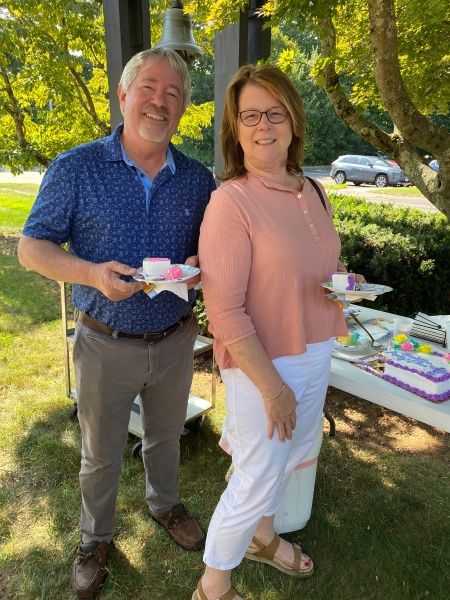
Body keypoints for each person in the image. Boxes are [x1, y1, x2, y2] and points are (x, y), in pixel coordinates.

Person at [18, 47, 215, 599]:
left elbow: (212, 249)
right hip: (105, 342)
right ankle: (95, 539)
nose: (159, 101)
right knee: (100, 454)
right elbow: (31, 248)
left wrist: (201, 267)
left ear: (182, 108)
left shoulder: (198, 179)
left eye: (172, 93)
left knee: (166, 437)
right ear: (124, 94)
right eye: (148, 88)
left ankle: (165, 505)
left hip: (175, 339)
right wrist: (89, 273)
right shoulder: (76, 167)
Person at [195, 64, 363, 600]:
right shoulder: (231, 202)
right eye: (250, 115)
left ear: (293, 120)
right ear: (235, 128)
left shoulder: (312, 188)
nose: (264, 125)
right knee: (256, 476)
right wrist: (273, 388)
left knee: (288, 459)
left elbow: (316, 263)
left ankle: (262, 538)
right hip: (263, 363)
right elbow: (224, 311)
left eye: (275, 112)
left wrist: (346, 282)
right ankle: (213, 584)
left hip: (315, 348)